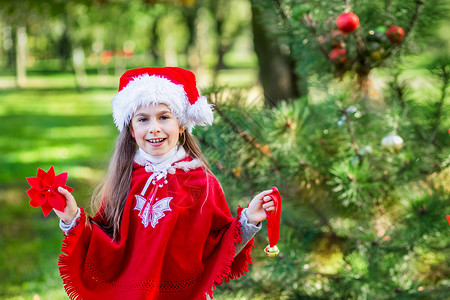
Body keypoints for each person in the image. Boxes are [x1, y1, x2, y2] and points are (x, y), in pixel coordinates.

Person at [54, 67, 275, 300]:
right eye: (143, 119)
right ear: (131, 129)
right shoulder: (125, 180)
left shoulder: (201, 182)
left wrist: (249, 219)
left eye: (163, 117)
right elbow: (102, 244)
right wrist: (72, 219)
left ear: (181, 125)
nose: (154, 128)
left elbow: (219, 247)